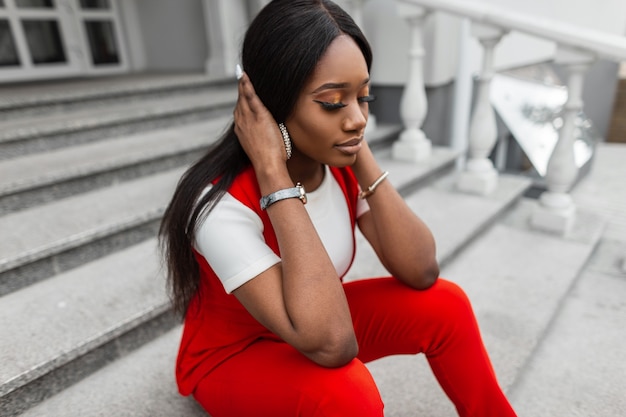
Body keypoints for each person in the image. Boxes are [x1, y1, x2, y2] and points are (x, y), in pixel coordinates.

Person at [159, 0, 517, 415]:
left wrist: (356, 149)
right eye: (332, 102)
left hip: (314, 317)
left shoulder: (338, 168)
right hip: (236, 354)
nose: (358, 118)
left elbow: (421, 269)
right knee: (347, 391)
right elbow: (332, 344)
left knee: (445, 304)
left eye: (364, 96)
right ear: (270, 105)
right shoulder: (219, 204)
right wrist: (273, 173)